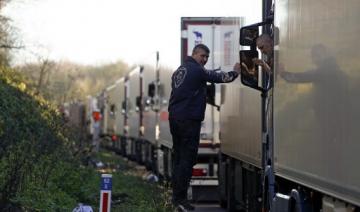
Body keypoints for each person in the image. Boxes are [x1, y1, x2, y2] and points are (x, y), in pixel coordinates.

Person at [168, 44, 241, 211]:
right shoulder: (197, 70)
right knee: (187, 159)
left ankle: (175, 197)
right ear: (194, 54)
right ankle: (180, 199)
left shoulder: (180, 70)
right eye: (202, 56)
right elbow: (221, 78)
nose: (205, 60)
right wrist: (236, 71)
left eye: (207, 57)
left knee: (179, 158)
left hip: (176, 119)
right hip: (188, 120)